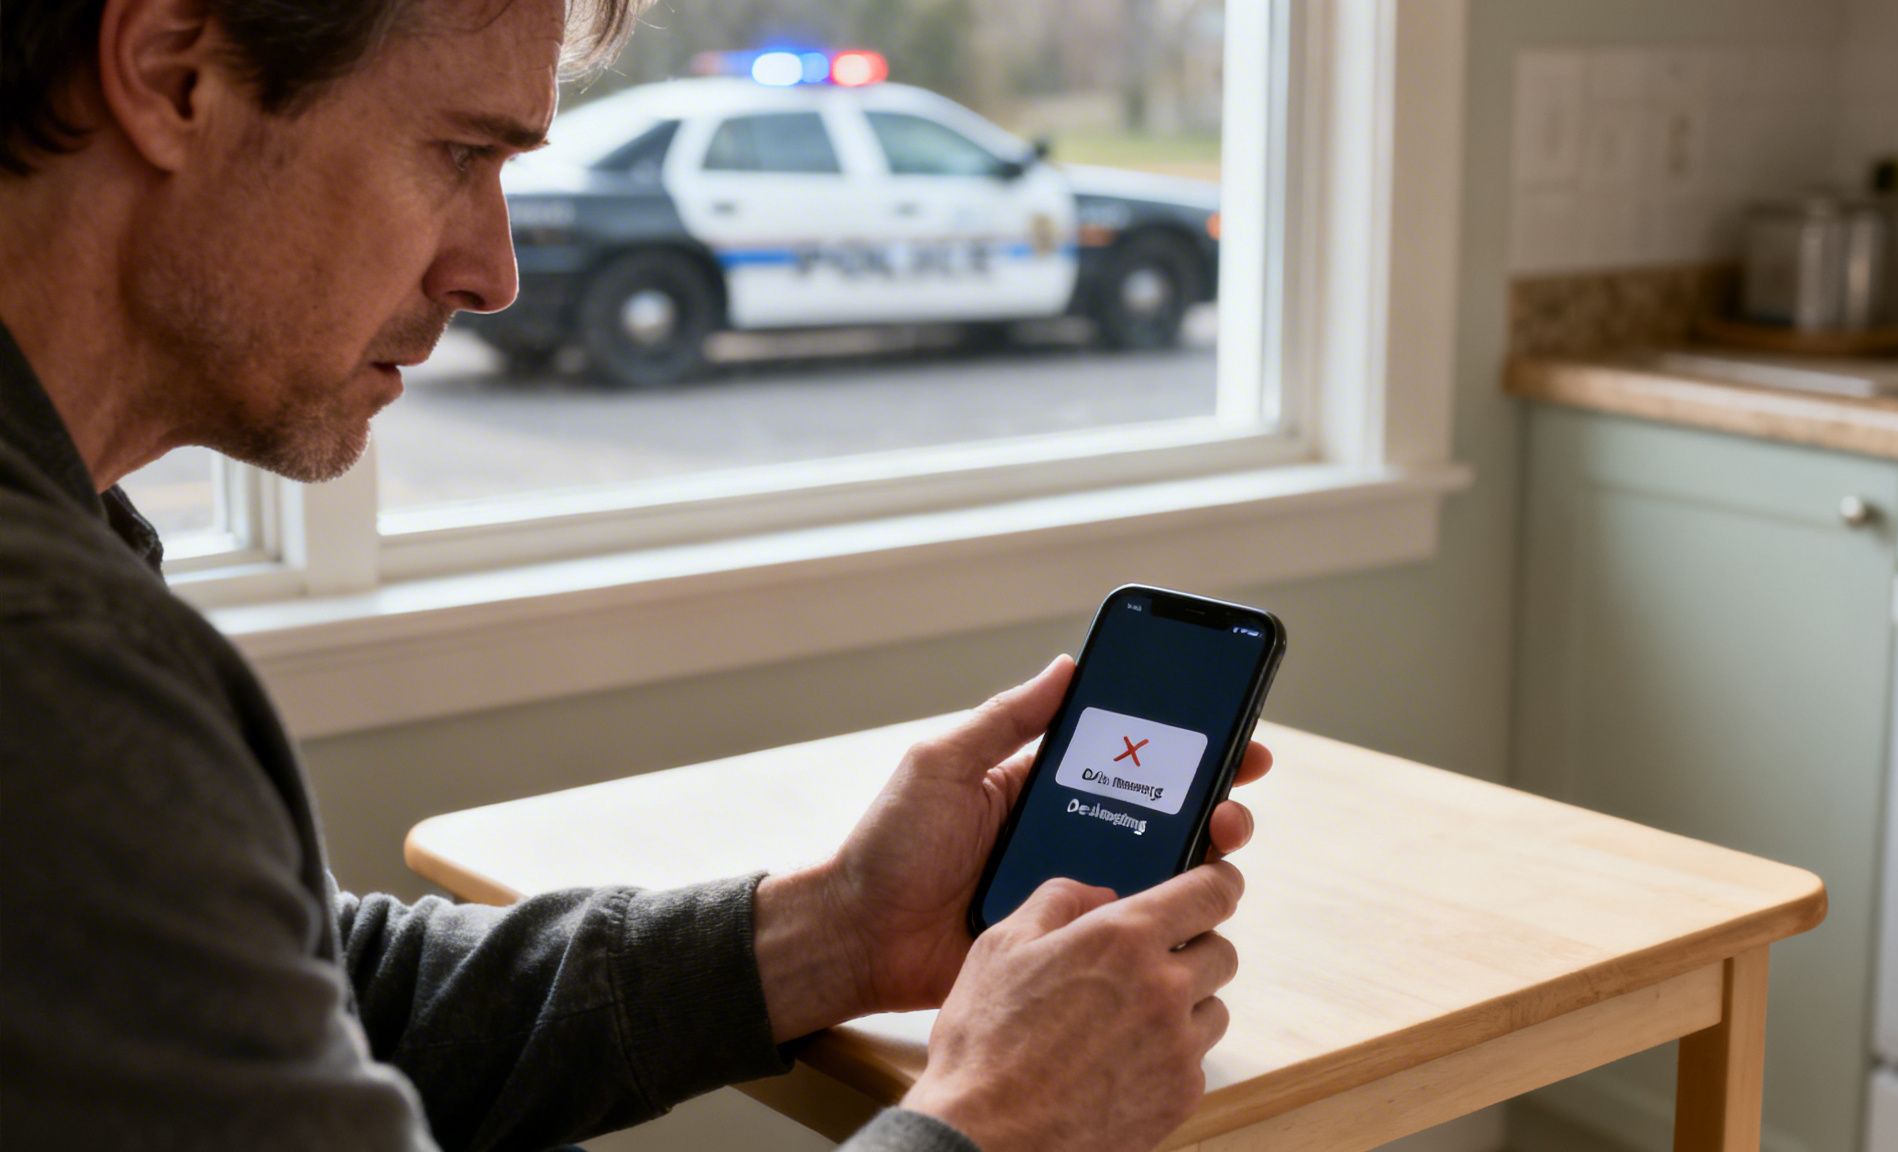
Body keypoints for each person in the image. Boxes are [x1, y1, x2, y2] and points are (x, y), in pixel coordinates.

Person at [0, 1, 1270, 1149]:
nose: (490, 274)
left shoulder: (73, 549)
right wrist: (998, 1121)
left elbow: (326, 994)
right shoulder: (53, 669)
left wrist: (837, 929)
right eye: (458, 153)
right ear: (173, 76)